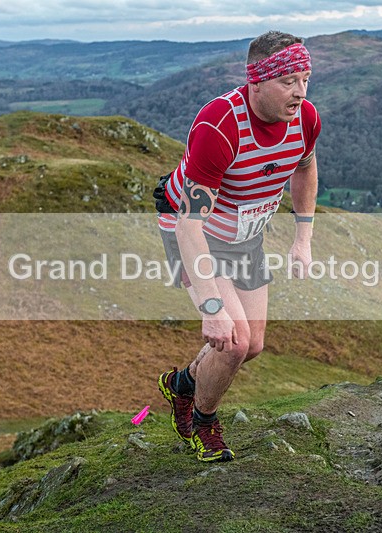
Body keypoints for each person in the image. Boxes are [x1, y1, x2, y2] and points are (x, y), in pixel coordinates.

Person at [155, 30, 321, 462]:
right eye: (288, 81)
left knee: (254, 344)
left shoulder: (305, 119)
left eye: (305, 79)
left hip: (245, 236)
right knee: (233, 342)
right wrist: (211, 307)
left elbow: (304, 167)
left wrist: (302, 239)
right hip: (194, 233)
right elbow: (190, 225)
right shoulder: (220, 126)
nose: (300, 92)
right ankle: (203, 424)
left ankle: (182, 384)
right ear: (256, 81)